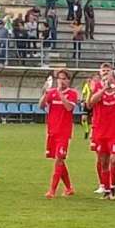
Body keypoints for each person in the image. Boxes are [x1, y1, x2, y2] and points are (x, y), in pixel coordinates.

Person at [88, 63, 115, 194]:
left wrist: (113, 86)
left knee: (114, 159)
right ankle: (104, 185)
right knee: (102, 160)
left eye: (108, 71)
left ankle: (113, 184)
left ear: (113, 75)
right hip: (99, 130)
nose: (106, 73)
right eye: (103, 71)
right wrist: (103, 89)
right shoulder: (96, 87)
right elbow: (90, 103)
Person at [39, 69, 77, 198]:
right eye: (59, 78)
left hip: (64, 132)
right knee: (59, 160)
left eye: (64, 78)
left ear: (68, 80)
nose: (61, 81)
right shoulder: (52, 93)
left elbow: (69, 107)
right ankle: (69, 188)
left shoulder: (72, 93)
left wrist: (60, 94)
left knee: (59, 160)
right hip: (52, 131)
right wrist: (45, 93)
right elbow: (41, 106)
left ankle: (52, 190)